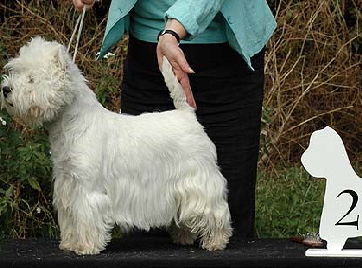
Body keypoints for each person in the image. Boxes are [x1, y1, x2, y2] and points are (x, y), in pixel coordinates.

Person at [72, 0, 276, 239]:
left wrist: (172, 30)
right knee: (142, 238)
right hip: (147, 54)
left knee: (228, 225)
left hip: (226, 58)